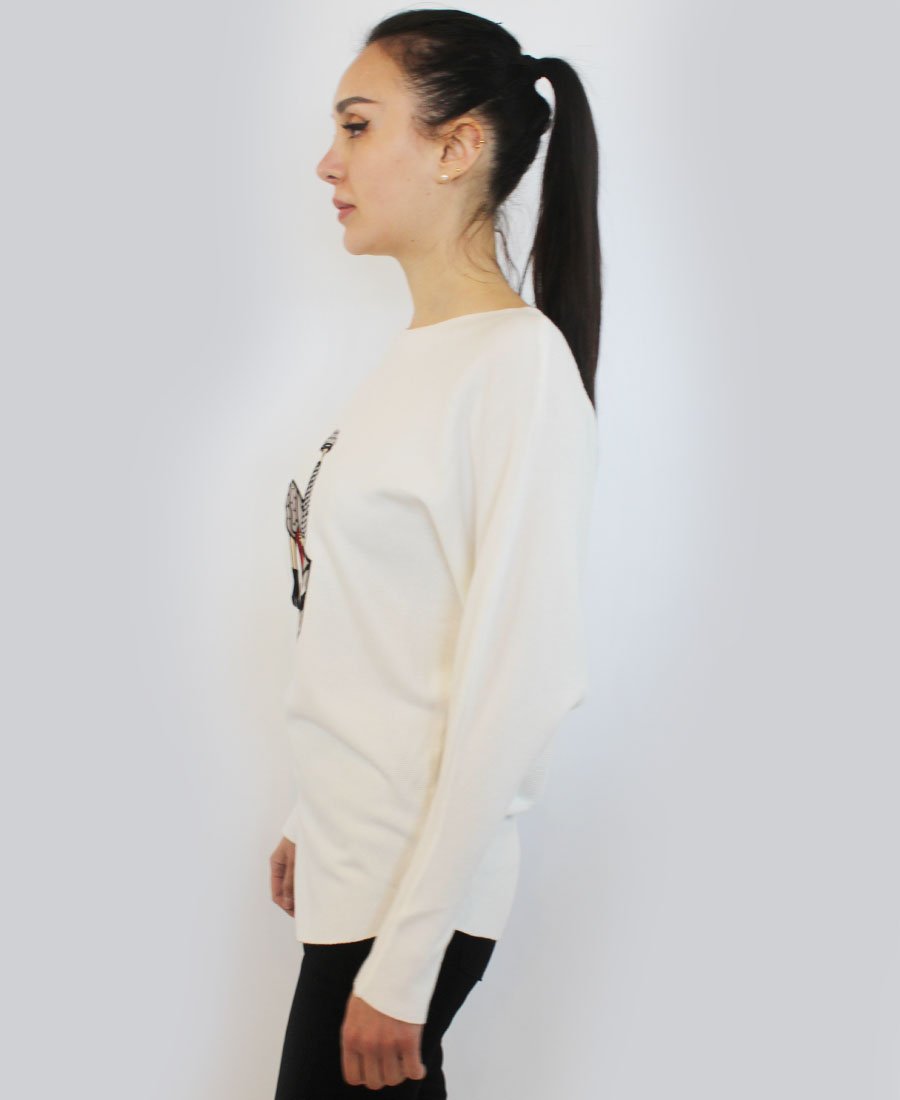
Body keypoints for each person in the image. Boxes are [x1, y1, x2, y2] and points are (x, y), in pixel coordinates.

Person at [269, 8, 602, 1096]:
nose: (329, 161)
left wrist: (408, 959)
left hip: (407, 900)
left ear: (458, 147)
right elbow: (375, 624)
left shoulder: (516, 367)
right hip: (357, 868)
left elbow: (523, 680)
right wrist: (310, 815)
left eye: (358, 126)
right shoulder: (417, 357)